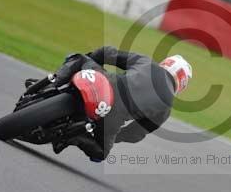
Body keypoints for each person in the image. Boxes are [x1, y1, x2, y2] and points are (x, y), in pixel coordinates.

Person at [26, 46, 192, 162]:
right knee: (100, 154)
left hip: (104, 85)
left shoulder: (147, 62)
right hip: (113, 117)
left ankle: (52, 84)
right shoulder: (166, 107)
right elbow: (136, 134)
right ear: (182, 84)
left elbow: (108, 52)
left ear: (166, 63)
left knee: (78, 59)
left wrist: (92, 58)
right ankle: (74, 137)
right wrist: (114, 136)